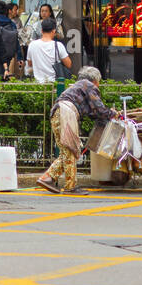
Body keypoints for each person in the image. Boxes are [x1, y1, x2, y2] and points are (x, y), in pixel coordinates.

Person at [37, 66, 118, 194]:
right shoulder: (89, 85)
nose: (99, 85)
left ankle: (47, 178)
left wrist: (106, 114)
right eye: (99, 82)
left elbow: (92, 112)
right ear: (95, 79)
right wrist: (112, 113)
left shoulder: (78, 86)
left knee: (66, 151)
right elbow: (99, 109)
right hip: (66, 113)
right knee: (70, 150)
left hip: (58, 113)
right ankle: (70, 186)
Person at [25, 18, 72, 83]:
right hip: (54, 84)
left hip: (38, 85)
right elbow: (69, 64)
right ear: (54, 31)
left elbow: (30, 63)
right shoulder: (58, 45)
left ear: (41, 31)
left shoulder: (32, 45)